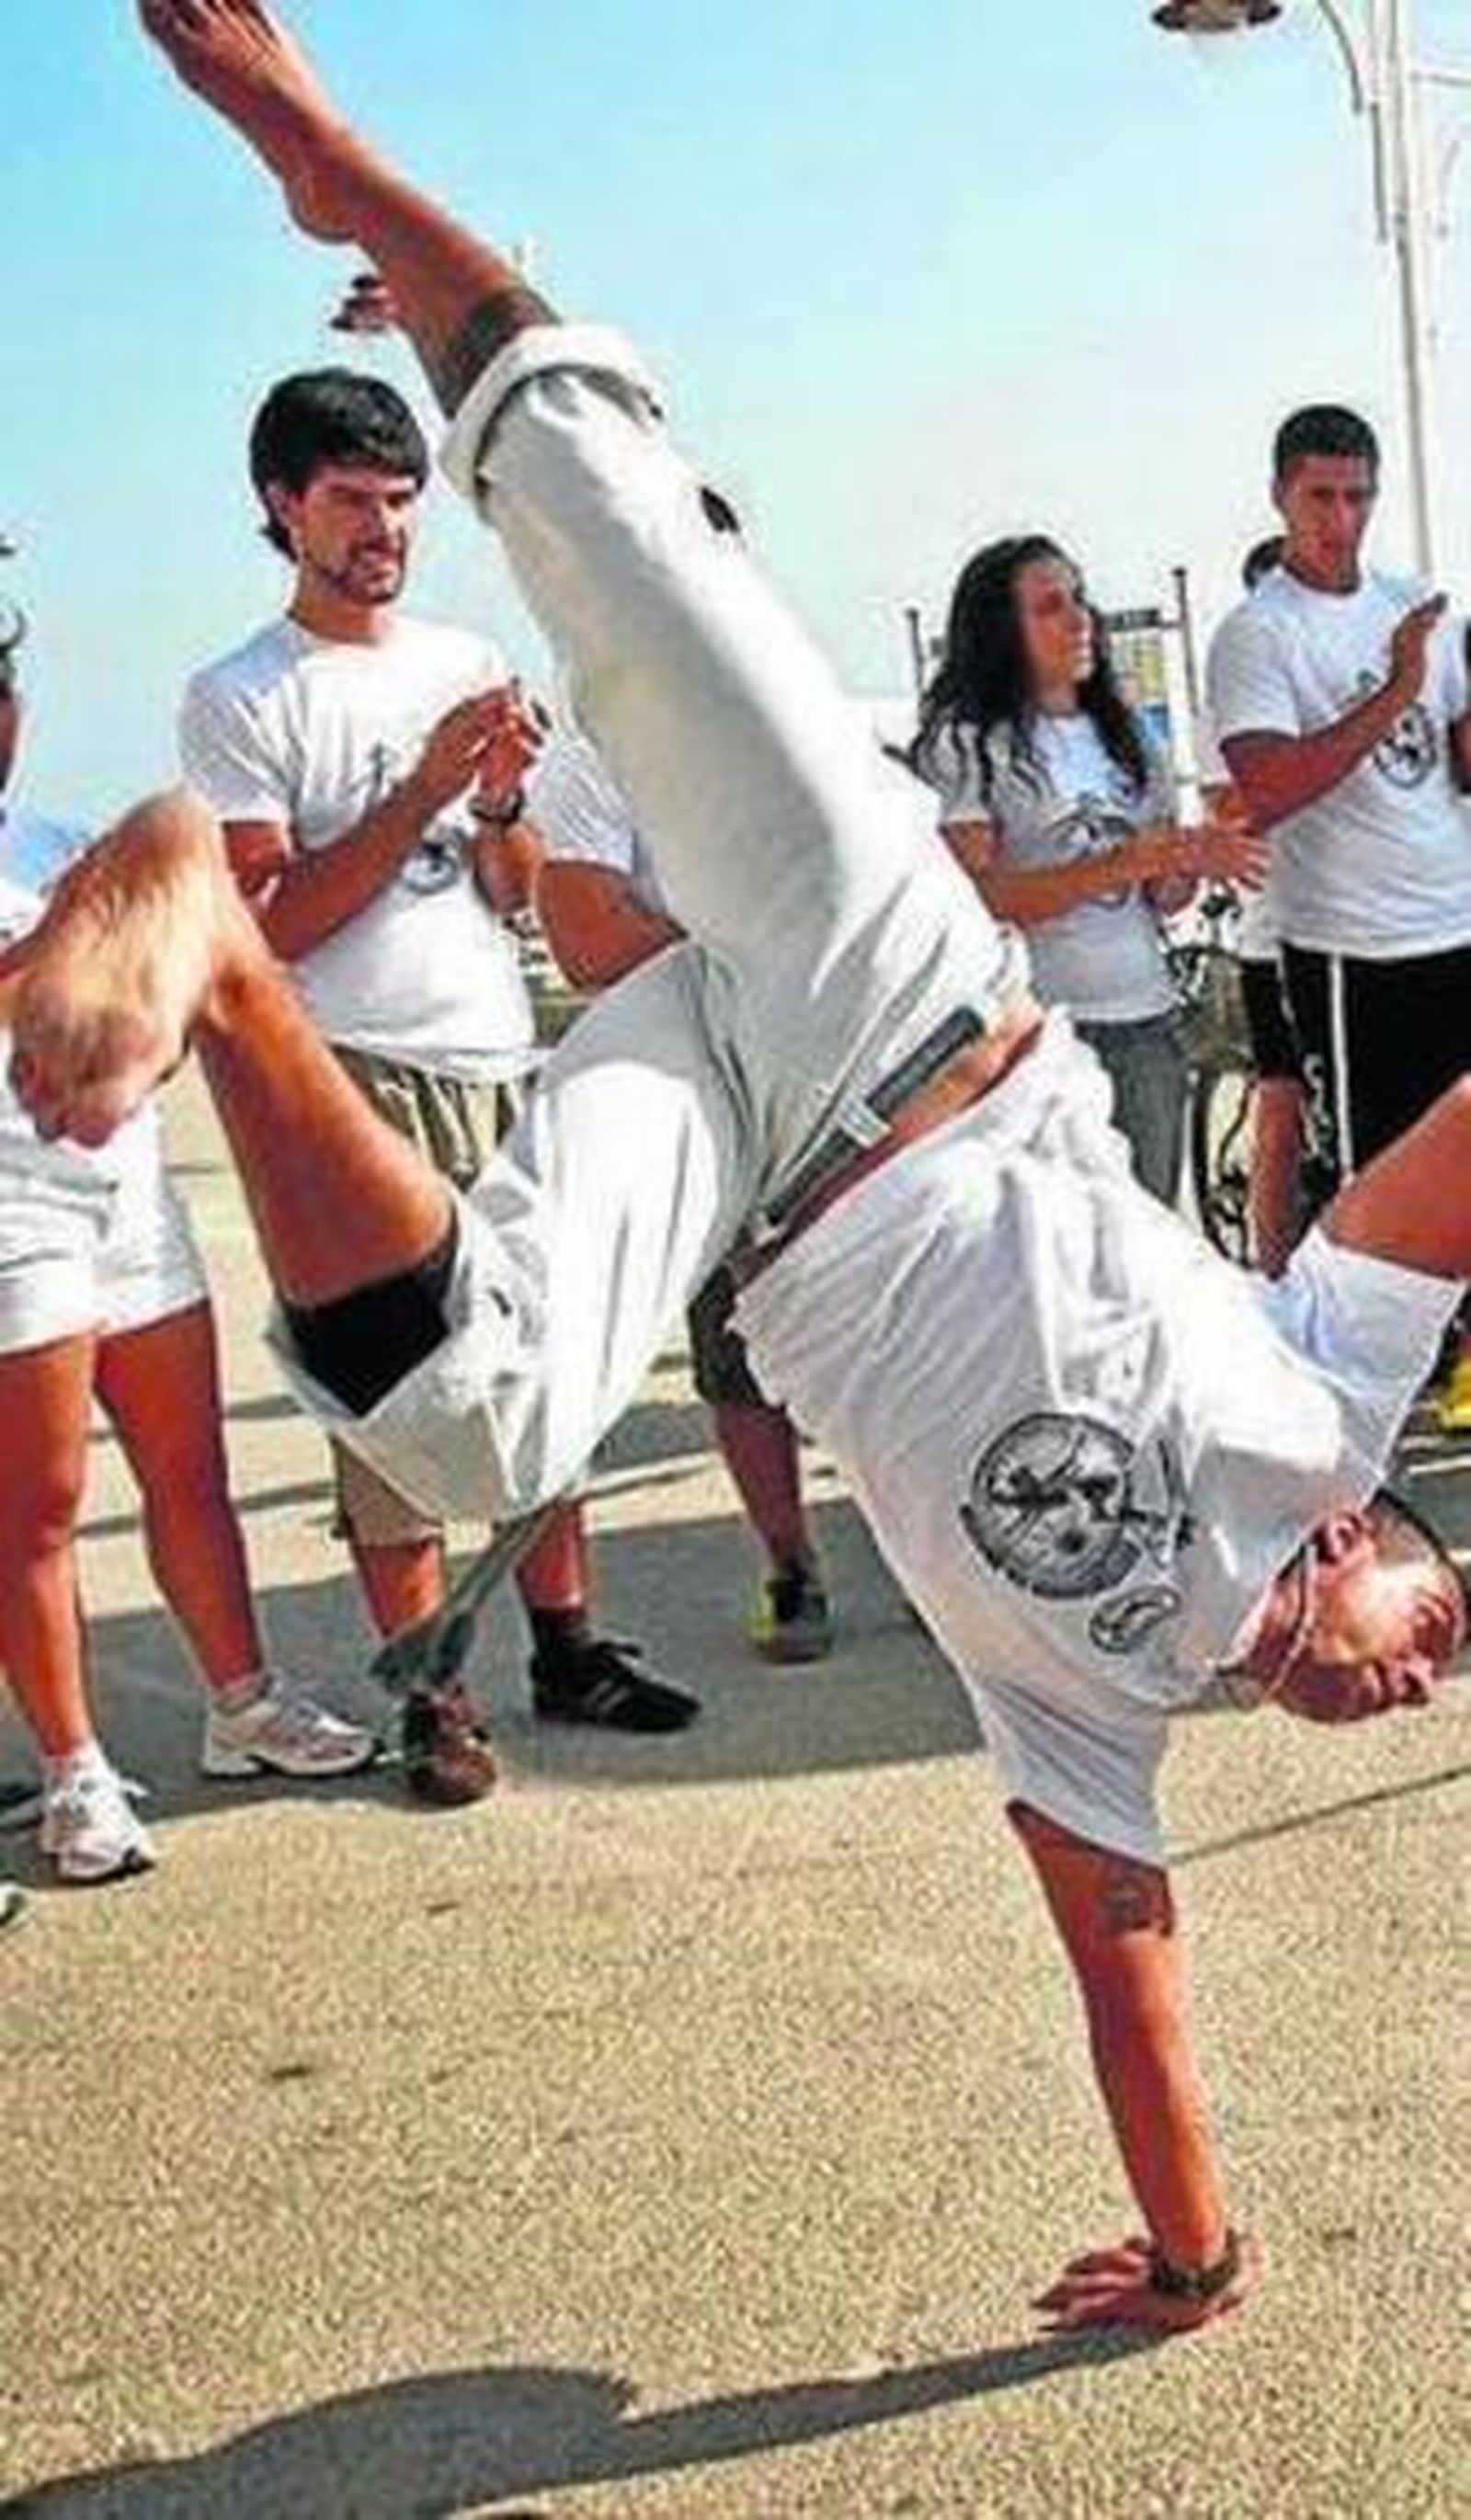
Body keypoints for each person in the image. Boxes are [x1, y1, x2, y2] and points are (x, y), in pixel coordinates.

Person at [29, 0, 1471, 2325]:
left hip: (729, 1151)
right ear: (1365, 1531)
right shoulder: (1322, 1397)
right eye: (1444, 1627)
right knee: (633, 556)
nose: (1423, 1673)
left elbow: (1128, 1968)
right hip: (899, 996)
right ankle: (331, 156)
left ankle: (206, 924)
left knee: (465, 1421)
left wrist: (1200, 2256)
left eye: (1429, 1665)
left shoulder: (1088, 1720)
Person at [178, 369, 698, 1800]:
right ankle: (433, 1694)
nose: (383, 529)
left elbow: (508, 886)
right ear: (283, 508)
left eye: (402, 502)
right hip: (353, 1079)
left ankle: (569, 1642)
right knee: (394, 1398)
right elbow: (261, 924)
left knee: (552, 1360)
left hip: (491, 1053)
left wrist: (506, 803)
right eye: (351, 501)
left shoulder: (463, 656)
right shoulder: (240, 694)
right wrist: (415, 791)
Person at [0, 656, 377, 1885]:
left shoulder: (62, 841)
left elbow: (159, 993)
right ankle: (74, 1769)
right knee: (39, 1510)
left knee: (192, 1472)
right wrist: (73, 929)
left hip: (129, 1199)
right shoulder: (81, 877)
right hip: (11, 1215)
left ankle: (243, 1703)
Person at [530, 724, 835, 1662]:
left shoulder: (791, 725)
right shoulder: (591, 758)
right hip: (707, 1088)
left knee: (892, 1324)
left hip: (833, 1072)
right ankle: (790, 1566)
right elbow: (588, 937)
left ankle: (930, 1560)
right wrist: (758, 952)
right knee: (737, 1348)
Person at [1207, 406, 1471, 1409]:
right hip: (1352, 949)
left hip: (1456, 924)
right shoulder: (1256, 633)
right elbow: (1265, 786)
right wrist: (1394, 685)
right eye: (1320, 495)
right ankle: (1351, 1400)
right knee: (1376, 1189)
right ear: (1280, 496)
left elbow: (1451, 764)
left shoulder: (1414, 606)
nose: (1340, 517)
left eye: (1357, 495)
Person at [915, 536, 1264, 1204]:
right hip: (1034, 1034)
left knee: (1149, 1230)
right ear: (1001, 629)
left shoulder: (1126, 729)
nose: (1079, 620)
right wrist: (1126, 861)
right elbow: (976, 898)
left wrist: (1191, 856)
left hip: (1145, 1020)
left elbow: (1162, 894)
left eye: (1080, 599)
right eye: (1050, 606)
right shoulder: (967, 741)